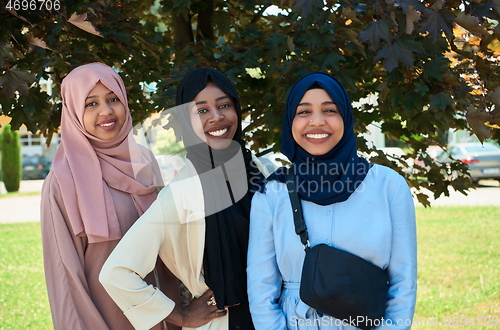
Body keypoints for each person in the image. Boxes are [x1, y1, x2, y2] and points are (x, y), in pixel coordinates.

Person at [99, 68, 275, 330]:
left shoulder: (262, 171)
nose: (216, 117)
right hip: (226, 321)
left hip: (275, 316)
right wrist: (179, 316)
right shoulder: (182, 193)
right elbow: (116, 272)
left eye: (224, 105)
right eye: (201, 110)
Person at [247, 72, 417, 329]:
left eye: (330, 110)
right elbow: (261, 286)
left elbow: (403, 282)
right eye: (303, 112)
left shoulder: (388, 187)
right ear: (290, 121)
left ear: (345, 118)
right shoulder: (271, 194)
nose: (317, 121)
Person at [40, 62, 182, 330]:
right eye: (90, 103)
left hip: (167, 315)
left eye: (113, 99)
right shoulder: (61, 182)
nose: (106, 111)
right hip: (110, 319)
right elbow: (66, 277)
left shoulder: (144, 159)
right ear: (73, 112)